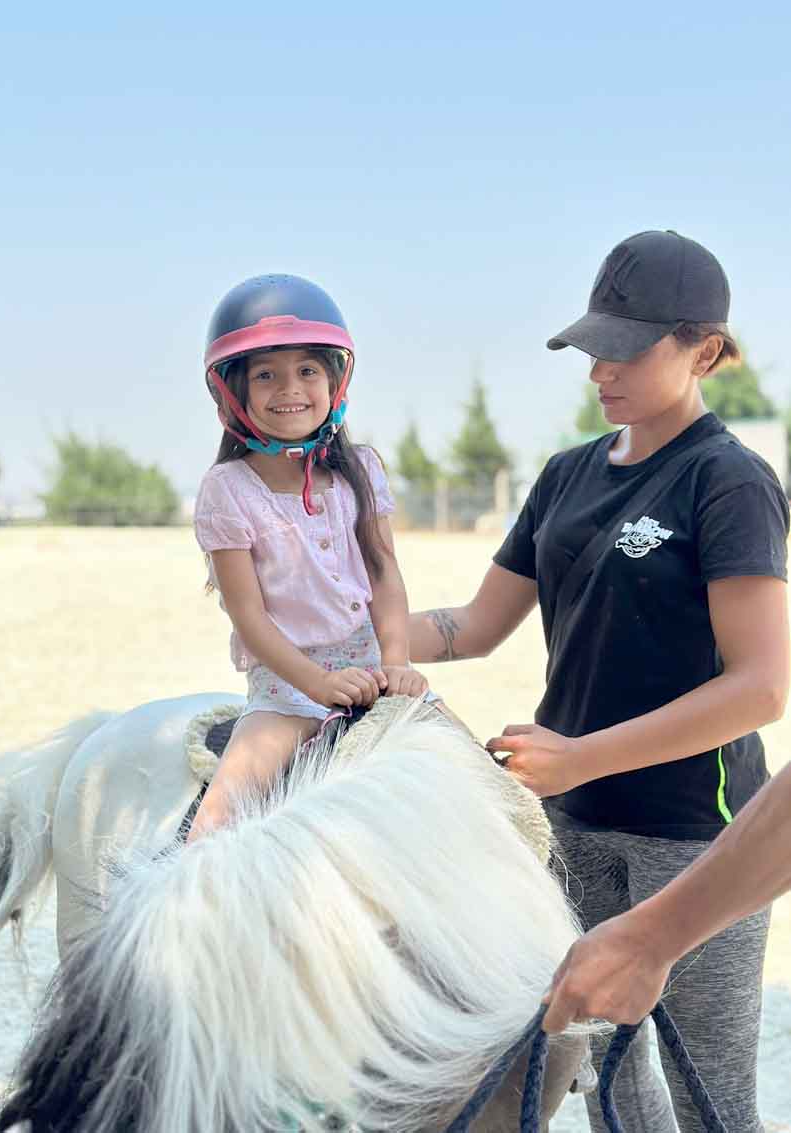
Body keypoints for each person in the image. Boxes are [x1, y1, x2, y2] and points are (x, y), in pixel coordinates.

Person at [409, 230, 790, 1132]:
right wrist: (340, 635)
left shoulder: (727, 482)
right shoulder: (565, 476)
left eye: (624, 348)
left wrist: (581, 755)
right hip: (570, 824)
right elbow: (475, 625)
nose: (599, 372)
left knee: (712, 1096)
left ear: (703, 350)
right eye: (591, 348)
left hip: (698, 837)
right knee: (603, 1070)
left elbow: (762, 687)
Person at [190, 274, 428, 842]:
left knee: (488, 790)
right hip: (287, 688)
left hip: (375, 671)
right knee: (213, 830)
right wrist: (317, 685)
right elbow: (248, 615)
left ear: (334, 381)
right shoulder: (228, 489)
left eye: (307, 371)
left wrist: (396, 660)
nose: (288, 388)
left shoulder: (362, 468)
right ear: (233, 393)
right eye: (265, 374)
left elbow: (384, 574)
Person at [541, 759, 791, 1032]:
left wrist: (650, 939)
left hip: (694, 824)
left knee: (708, 1049)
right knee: (600, 1043)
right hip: (575, 815)